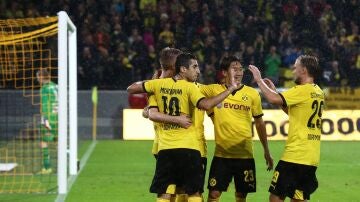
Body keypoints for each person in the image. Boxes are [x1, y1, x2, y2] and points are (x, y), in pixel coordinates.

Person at [127, 52, 239, 202]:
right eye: (195, 67)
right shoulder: (191, 88)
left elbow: (132, 89)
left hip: (165, 148)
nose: (198, 71)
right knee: (193, 192)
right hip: (191, 148)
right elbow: (206, 104)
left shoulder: (157, 86)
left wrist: (154, 83)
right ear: (182, 69)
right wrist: (230, 89)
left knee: (165, 192)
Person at [248, 55, 324, 202]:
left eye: (295, 67)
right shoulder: (318, 91)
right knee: (298, 198)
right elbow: (293, 112)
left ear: (304, 70)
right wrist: (276, 92)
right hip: (311, 157)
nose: (293, 70)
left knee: (276, 197)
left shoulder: (303, 90)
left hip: (295, 155)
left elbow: (273, 99)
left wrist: (258, 80)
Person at [199, 55, 273, 202]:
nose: (239, 72)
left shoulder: (252, 94)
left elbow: (259, 123)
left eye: (241, 69)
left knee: (241, 195)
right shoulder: (213, 90)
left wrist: (266, 151)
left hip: (245, 155)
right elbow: (189, 88)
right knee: (214, 194)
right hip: (222, 155)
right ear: (224, 72)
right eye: (234, 69)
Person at [36, 69, 58, 174]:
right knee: (58, 142)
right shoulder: (56, 86)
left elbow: (44, 105)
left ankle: (47, 167)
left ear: (41, 77)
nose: (37, 80)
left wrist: (45, 120)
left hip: (49, 118)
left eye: (37, 77)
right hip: (59, 117)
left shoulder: (44, 89)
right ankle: (73, 158)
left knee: (44, 142)